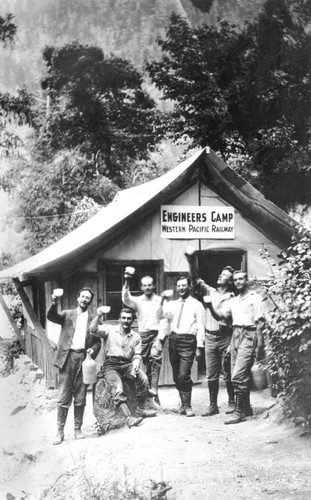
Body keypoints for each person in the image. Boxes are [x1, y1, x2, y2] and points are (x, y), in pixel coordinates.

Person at [209, 270, 265, 424]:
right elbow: (221, 316)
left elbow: (260, 324)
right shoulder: (234, 300)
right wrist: (208, 305)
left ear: (247, 280)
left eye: (241, 279)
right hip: (235, 335)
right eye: (235, 280)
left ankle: (239, 411)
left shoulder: (255, 298)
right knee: (235, 372)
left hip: (249, 334)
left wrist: (260, 345)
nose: (238, 282)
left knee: (238, 375)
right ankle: (246, 408)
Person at [47, 287, 101, 445]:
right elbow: (52, 316)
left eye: (87, 298)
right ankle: (59, 431)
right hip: (67, 358)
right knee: (64, 396)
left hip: (84, 359)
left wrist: (93, 350)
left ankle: (78, 429)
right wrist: (54, 302)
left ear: (90, 301)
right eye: (82, 296)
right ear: (78, 298)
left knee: (81, 395)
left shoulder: (93, 319)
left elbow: (97, 341)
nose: (84, 299)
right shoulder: (66, 313)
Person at [185, 249, 235, 416]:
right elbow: (195, 280)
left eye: (225, 275)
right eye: (221, 273)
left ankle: (232, 402)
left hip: (225, 337)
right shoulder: (210, 292)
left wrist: (209, 306)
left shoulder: (232, 298)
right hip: (210, 337)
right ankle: (213, 405)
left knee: (228, 372)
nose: (221, 275)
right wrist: (191, 261)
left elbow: (223, 317)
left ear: (231, 280)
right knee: (211, 374)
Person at [90, 307, 157, 428]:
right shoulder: (109, 330)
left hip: (127, 364)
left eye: (129, 319)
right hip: (111, 364)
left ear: (132, 321)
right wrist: (99, 315)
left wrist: (136, 365)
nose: (126, 321)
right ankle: (128, 417)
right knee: (117, 387)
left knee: (143, 379)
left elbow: (137, 355)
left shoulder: (136, 337)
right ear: (119, 319)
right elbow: (93, 330)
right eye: (124, 318)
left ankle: (140, 410)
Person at [159, 275, 205, 417]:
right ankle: (182, 404)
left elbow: (201, 327)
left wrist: (199, 346)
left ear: (189, 286)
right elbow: (161, 316)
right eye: (178, 286)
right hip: (173, 339)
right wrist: (161, 300)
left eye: (184, 285)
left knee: (184, 374)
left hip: (188, 340)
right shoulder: (172, 304)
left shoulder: (197, 305)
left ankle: (188, 405)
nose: (181, 288)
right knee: (176, 374)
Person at [122, 273, 163, 398]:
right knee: (146, 365)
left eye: (149, 285)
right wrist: (127, 281)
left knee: (155, 357)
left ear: (154, 286)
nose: (147, 287)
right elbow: (125, 298)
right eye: (145, 285)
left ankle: (154, 388)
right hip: (143, 335)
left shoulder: (159, 300)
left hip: (156, 333)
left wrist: (160, 338)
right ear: (142, 287)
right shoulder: (138, 301)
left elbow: (164, 319)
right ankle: (151, 397)